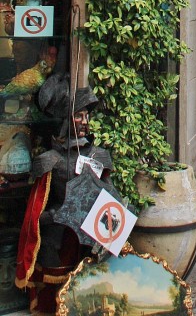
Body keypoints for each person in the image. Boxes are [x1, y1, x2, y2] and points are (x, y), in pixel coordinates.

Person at [15, 81, 112, 315]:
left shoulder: (99, 155)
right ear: (66, 120)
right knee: (54, 298)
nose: (85, 121)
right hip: (58, 238)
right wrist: (56, 215)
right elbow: (37, 212)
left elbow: (110, 202)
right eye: (79, 116)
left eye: (86, 115)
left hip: (90, 237)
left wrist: (107, 236)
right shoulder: (51, 160)